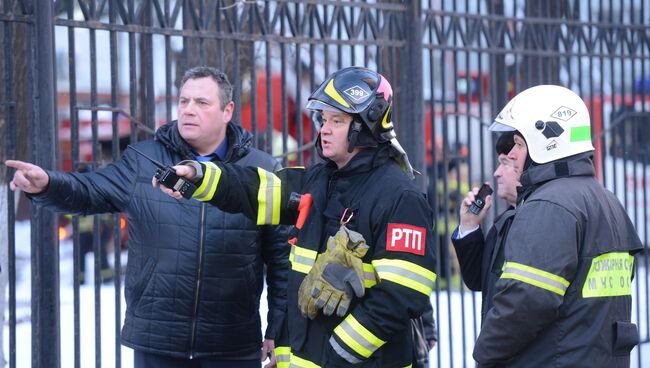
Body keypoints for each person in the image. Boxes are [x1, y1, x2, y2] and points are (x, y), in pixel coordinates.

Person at [6, 66, 289, 368]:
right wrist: (48, 184)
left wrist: (278, 330)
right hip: (158, 341)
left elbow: (281, 258)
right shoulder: (143, 160)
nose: (189, 110)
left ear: (227, 110)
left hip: (232, 343)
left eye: (202, 103)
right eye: (184, 101)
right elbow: (89, 191)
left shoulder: (262, 169)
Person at [157, 67, 437, 367]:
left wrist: (339, 353)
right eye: (324, 120)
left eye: (337, 121)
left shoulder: (399, 197)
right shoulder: (319, 181)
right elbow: (254, 190)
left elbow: (402, 295)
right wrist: (199, 177)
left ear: (366, 127)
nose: (324, 129)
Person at [473, 85, 643, 367]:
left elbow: (525, 300)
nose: (513, 154)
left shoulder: (548, 207)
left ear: (547, 139)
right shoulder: (607, 202)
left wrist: (484, 354)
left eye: (519, 143)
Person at [451, 132, 518, 323]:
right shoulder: (504, 221)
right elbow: (478, 280)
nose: (497, 172)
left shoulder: (537, 217)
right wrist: (469, 225)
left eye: (505, 163)